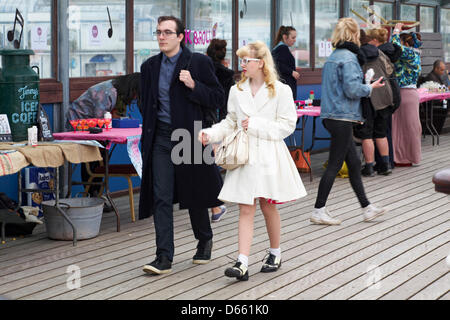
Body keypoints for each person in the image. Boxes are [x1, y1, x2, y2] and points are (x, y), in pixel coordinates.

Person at [199, 41, 307, 281]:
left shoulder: (281, 90)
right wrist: (211, 134)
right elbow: (230, 122)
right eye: (242, 60)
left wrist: (257, 125)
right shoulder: (236, 91)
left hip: (269, 156)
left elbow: (288, 125)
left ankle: (275, 253)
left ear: (261, 62)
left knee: (269, 206)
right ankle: (242, 262)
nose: (242, 65)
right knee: (246, 208)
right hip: (244, 156)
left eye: (246, 60)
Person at [140, 16, 225, 275]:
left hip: (189, 136)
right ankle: (163, 257)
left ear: (180, 37)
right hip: (161, 138)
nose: (162, 37)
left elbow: (217, 97)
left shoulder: (198, 62)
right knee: (161, 197)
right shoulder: (149, 66)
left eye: (167, 32)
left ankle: (204, 239)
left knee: (194, 192)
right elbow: (146, 103)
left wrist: (193, 85)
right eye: (158, 32)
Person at [311, 18, 387, 226]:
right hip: (342, 116)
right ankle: (318, 210)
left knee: (353, 163)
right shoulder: (350, 58)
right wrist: (371, 87)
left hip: (331, 115)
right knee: (335, 164)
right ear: (355, 35)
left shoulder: (333, 57)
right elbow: (353, 90)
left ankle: (367, 207)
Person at [65, 73, 141, 200]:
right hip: (79, 125)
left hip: (94, 128)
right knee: (92, 159)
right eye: (136, 93)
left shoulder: (119, 92)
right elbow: (101, 120)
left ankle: (97, 195)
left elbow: (115, 118)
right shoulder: (108, 92)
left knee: (100, 159)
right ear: (132, 88)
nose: (135, 97)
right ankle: (93, 195)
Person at [354, 29, 395, 177]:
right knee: (381, 132)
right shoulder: (380, 53)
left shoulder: (357, 54)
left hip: (368, 96)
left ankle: (369, 166)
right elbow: (390, 70)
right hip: (384, 95)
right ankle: (385, 165)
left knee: (366, 134)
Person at [206, 38, 236, 223]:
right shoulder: (228, 76)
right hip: (220, 120)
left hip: (203, 119)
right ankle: (216, 205)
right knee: (209, 163)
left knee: (203, 163)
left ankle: (215, 205)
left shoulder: (203, 70)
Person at [390, 24, 422, 166]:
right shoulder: (415, 55)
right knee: (409, 126)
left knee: (403, 127)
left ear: (406, 43)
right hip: (411, 93)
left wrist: (396, 30)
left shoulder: (409, 53)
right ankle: (410, 157)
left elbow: (394, 46)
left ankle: (404, 157)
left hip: (404, 93)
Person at [272, 26, 300, 100]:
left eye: (295, 38)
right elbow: (278, 64)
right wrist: (292, 72)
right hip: (285, 85)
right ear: (285, 37)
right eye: (293, 38)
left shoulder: (278, 48)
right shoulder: (282, 48)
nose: (295, 40)